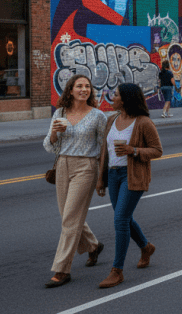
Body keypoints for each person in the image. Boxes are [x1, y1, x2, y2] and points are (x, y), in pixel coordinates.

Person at [43, 74, 108, 288]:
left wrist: (101, 177)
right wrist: (54, 132)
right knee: (67, 216)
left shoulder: (98, 116)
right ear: (70, 90)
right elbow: (49, 145)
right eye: (79, 86)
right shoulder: (60, 113)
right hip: (62, 165)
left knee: (70, 219)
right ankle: (93, 246)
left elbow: (103, 148)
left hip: (86, 166)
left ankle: (62, 269)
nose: (84, 89)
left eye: (87, 86)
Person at [96, 83, 163, 289]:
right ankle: (145, 246)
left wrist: (133, 150)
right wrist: (101, 179)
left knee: (120, 219)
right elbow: (105, 153)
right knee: (123, 217)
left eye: (115, 94)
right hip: (114, 175)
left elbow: (157, 150)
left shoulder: (143, 122)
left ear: (124, 99)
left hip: (132, 176)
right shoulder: (112, 120)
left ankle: (117, 271)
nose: (111, 97)